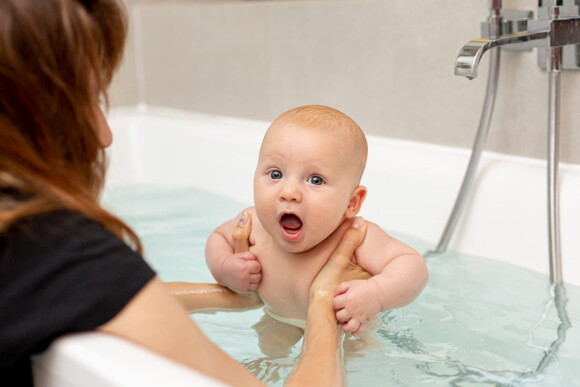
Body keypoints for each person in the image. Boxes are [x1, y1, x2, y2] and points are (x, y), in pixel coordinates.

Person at [0, 1, 369, 386]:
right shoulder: (48, 246)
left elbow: (92, 293)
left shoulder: (30, 251)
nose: (105, 135)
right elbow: (82, 281)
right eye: (89, 103)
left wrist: (236, 293)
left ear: (352, 201)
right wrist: (322, 303)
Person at [205, 105, 429, 337]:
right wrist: (224, 268)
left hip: (344, 336)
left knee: (354, 364)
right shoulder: (253, 224)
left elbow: (413, 266)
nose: (289, 192)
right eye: (275, 174)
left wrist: (376, 294)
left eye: (315, 180)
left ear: (352, 202)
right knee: (267, 363)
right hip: (275, 321)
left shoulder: (354, 236)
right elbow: (218, 237)